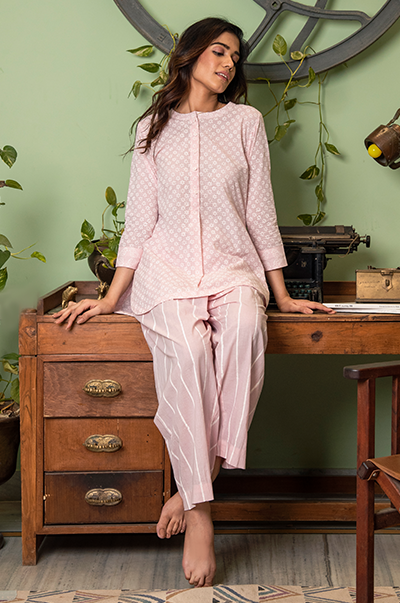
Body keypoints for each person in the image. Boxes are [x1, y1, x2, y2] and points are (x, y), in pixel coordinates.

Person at [53, 17, 335, 588]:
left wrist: (281, 294)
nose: (229, 63)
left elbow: (259, 211)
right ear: (190, 54)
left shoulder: (246, 122)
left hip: (234, 268)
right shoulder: (152, 128)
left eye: (236, 56)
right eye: (219, 51)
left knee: (246, 333)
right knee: (185, 353)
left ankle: (191, 485)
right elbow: (140, 221)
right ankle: (202, 513)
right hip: (167, 272)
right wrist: (111, 298)